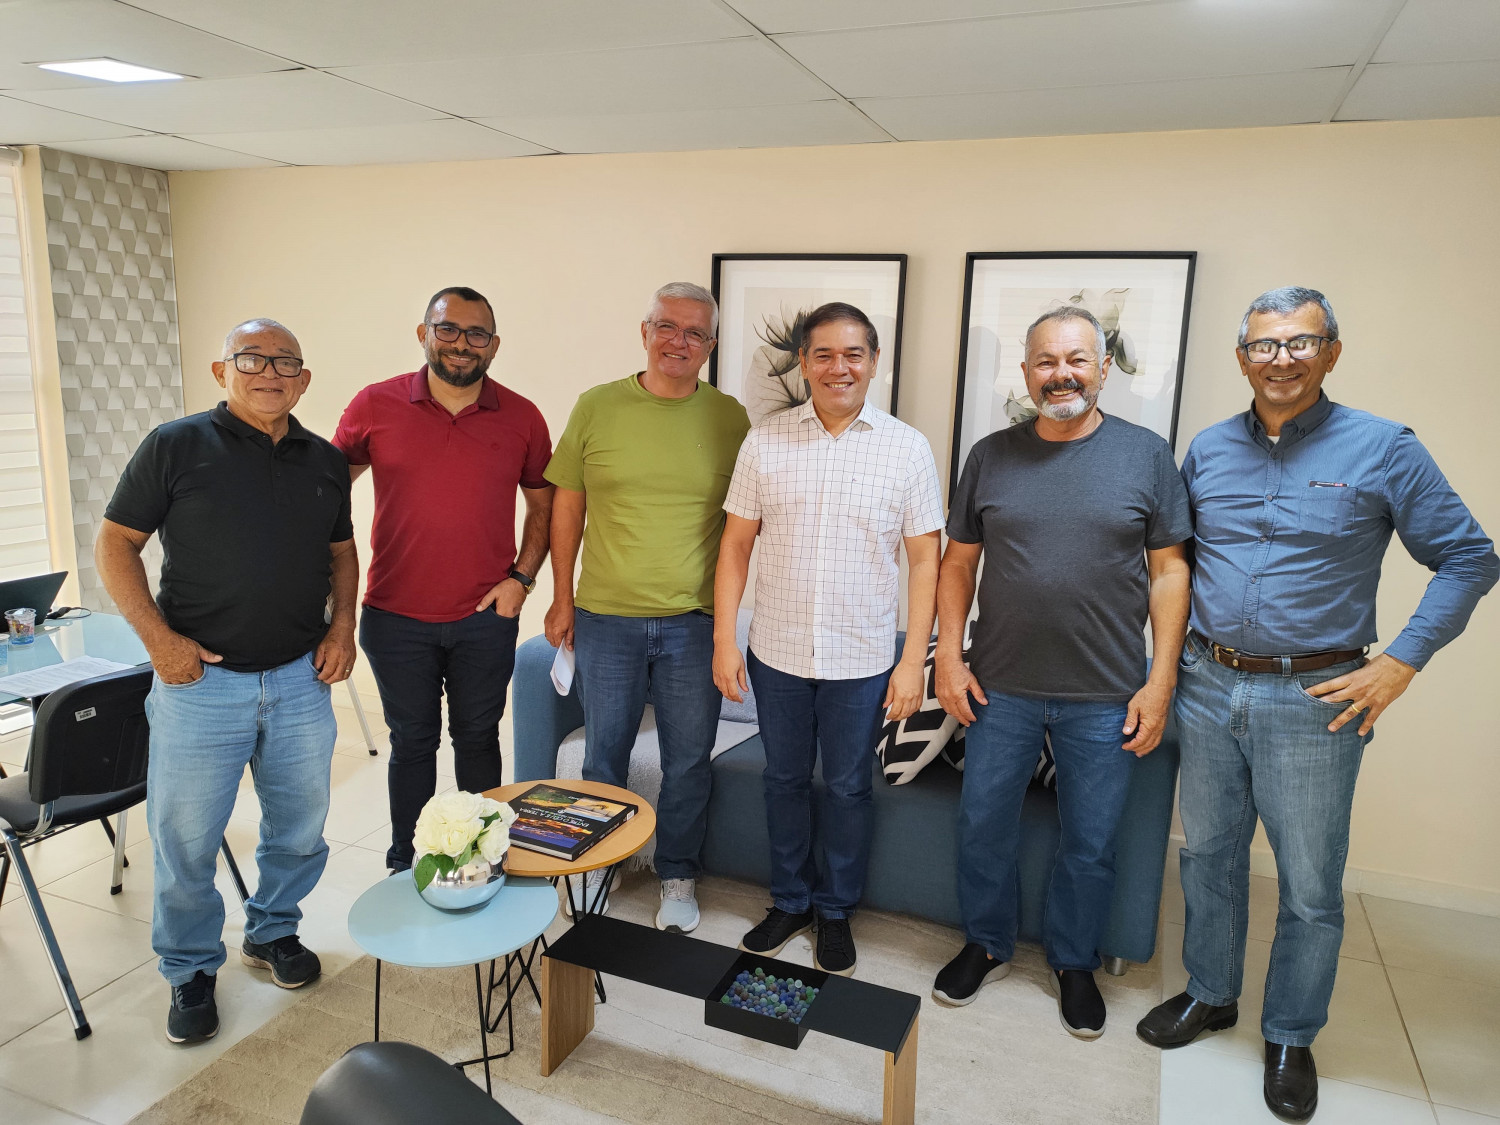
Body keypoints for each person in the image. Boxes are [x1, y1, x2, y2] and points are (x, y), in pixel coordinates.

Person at [1137, 287, 1498, 1121]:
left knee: (1307, 882)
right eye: (1265, 345)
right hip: (1207, 682)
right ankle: (1211, 993)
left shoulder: (1384, 446)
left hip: (1316, 699)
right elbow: (1173, 562)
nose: (1282, 359)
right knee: (1208, 856)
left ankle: (1292, 1032)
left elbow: (1470, 557)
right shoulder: (1208, 449)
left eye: (1301, 342)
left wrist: (1400, 662)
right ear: (1242, 358)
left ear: (1331, 351)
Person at [932, 306, 1192, 1037]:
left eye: (1077, 359)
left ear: (1103, 368)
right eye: (1046, 361)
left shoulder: (1146, 456)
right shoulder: (990, 456)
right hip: (999, 685)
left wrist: (1161, 680)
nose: (1061, 374)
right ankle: (986, 943)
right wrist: (947, 654)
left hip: (1106, 691)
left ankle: (1074, 962)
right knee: (983, 823)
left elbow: (1170, 572)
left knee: (1091, 839)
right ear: (1025, 372)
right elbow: (958, 563)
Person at [96, 319, 357, 1045]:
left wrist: (342, 627)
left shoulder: (324, 460)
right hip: (200, 685)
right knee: (185, 839)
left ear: (304, 380)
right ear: (222, 371)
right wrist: (160, 641)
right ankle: (188, 967)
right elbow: (116, 543)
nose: (269, 372)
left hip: (301, 679)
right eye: (252, 358)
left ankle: (272, 931)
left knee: (299, 828)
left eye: (285, 362)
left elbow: (342, 551)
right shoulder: (174, 446)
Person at [714, 302, 944, 976]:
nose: (838, 367)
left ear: (873, 362)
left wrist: (912, 661)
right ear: (804, 363)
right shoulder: (765, 441)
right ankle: (790, 901)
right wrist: (725, 640)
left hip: (863, 658)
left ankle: (836, 909)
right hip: (777, 652)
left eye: (853, 354)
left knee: (847, 788)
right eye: (824, 354)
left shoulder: (907, 448)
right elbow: (735, 547)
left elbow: (925, 561)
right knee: (783, 780)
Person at [543, 282, 750, 933]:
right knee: (603, 753)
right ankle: (596, 863)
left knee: (688, 759)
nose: (678, 341)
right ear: (645, 331)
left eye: (694, 332)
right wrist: (560, 597)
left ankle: (677, 873)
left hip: (695, 623)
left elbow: (745, 524)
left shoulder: (730, 418)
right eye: (667, 326)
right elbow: (567, 507)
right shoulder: (597, 406)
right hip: (606, 617)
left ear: (710, 345)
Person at [334, 286, 552, 872]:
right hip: (393, 616)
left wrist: (522, 579)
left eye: (476, 333)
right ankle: (409, 862)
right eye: (448, 329)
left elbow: (543, 506)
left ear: (494, 345)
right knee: (412, 743)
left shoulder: (523, 416)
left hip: (485, 618)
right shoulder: (375, 404)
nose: (461, 343)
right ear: (424, 334)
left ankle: (483, 858)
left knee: (478, 740)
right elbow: (324, 492)